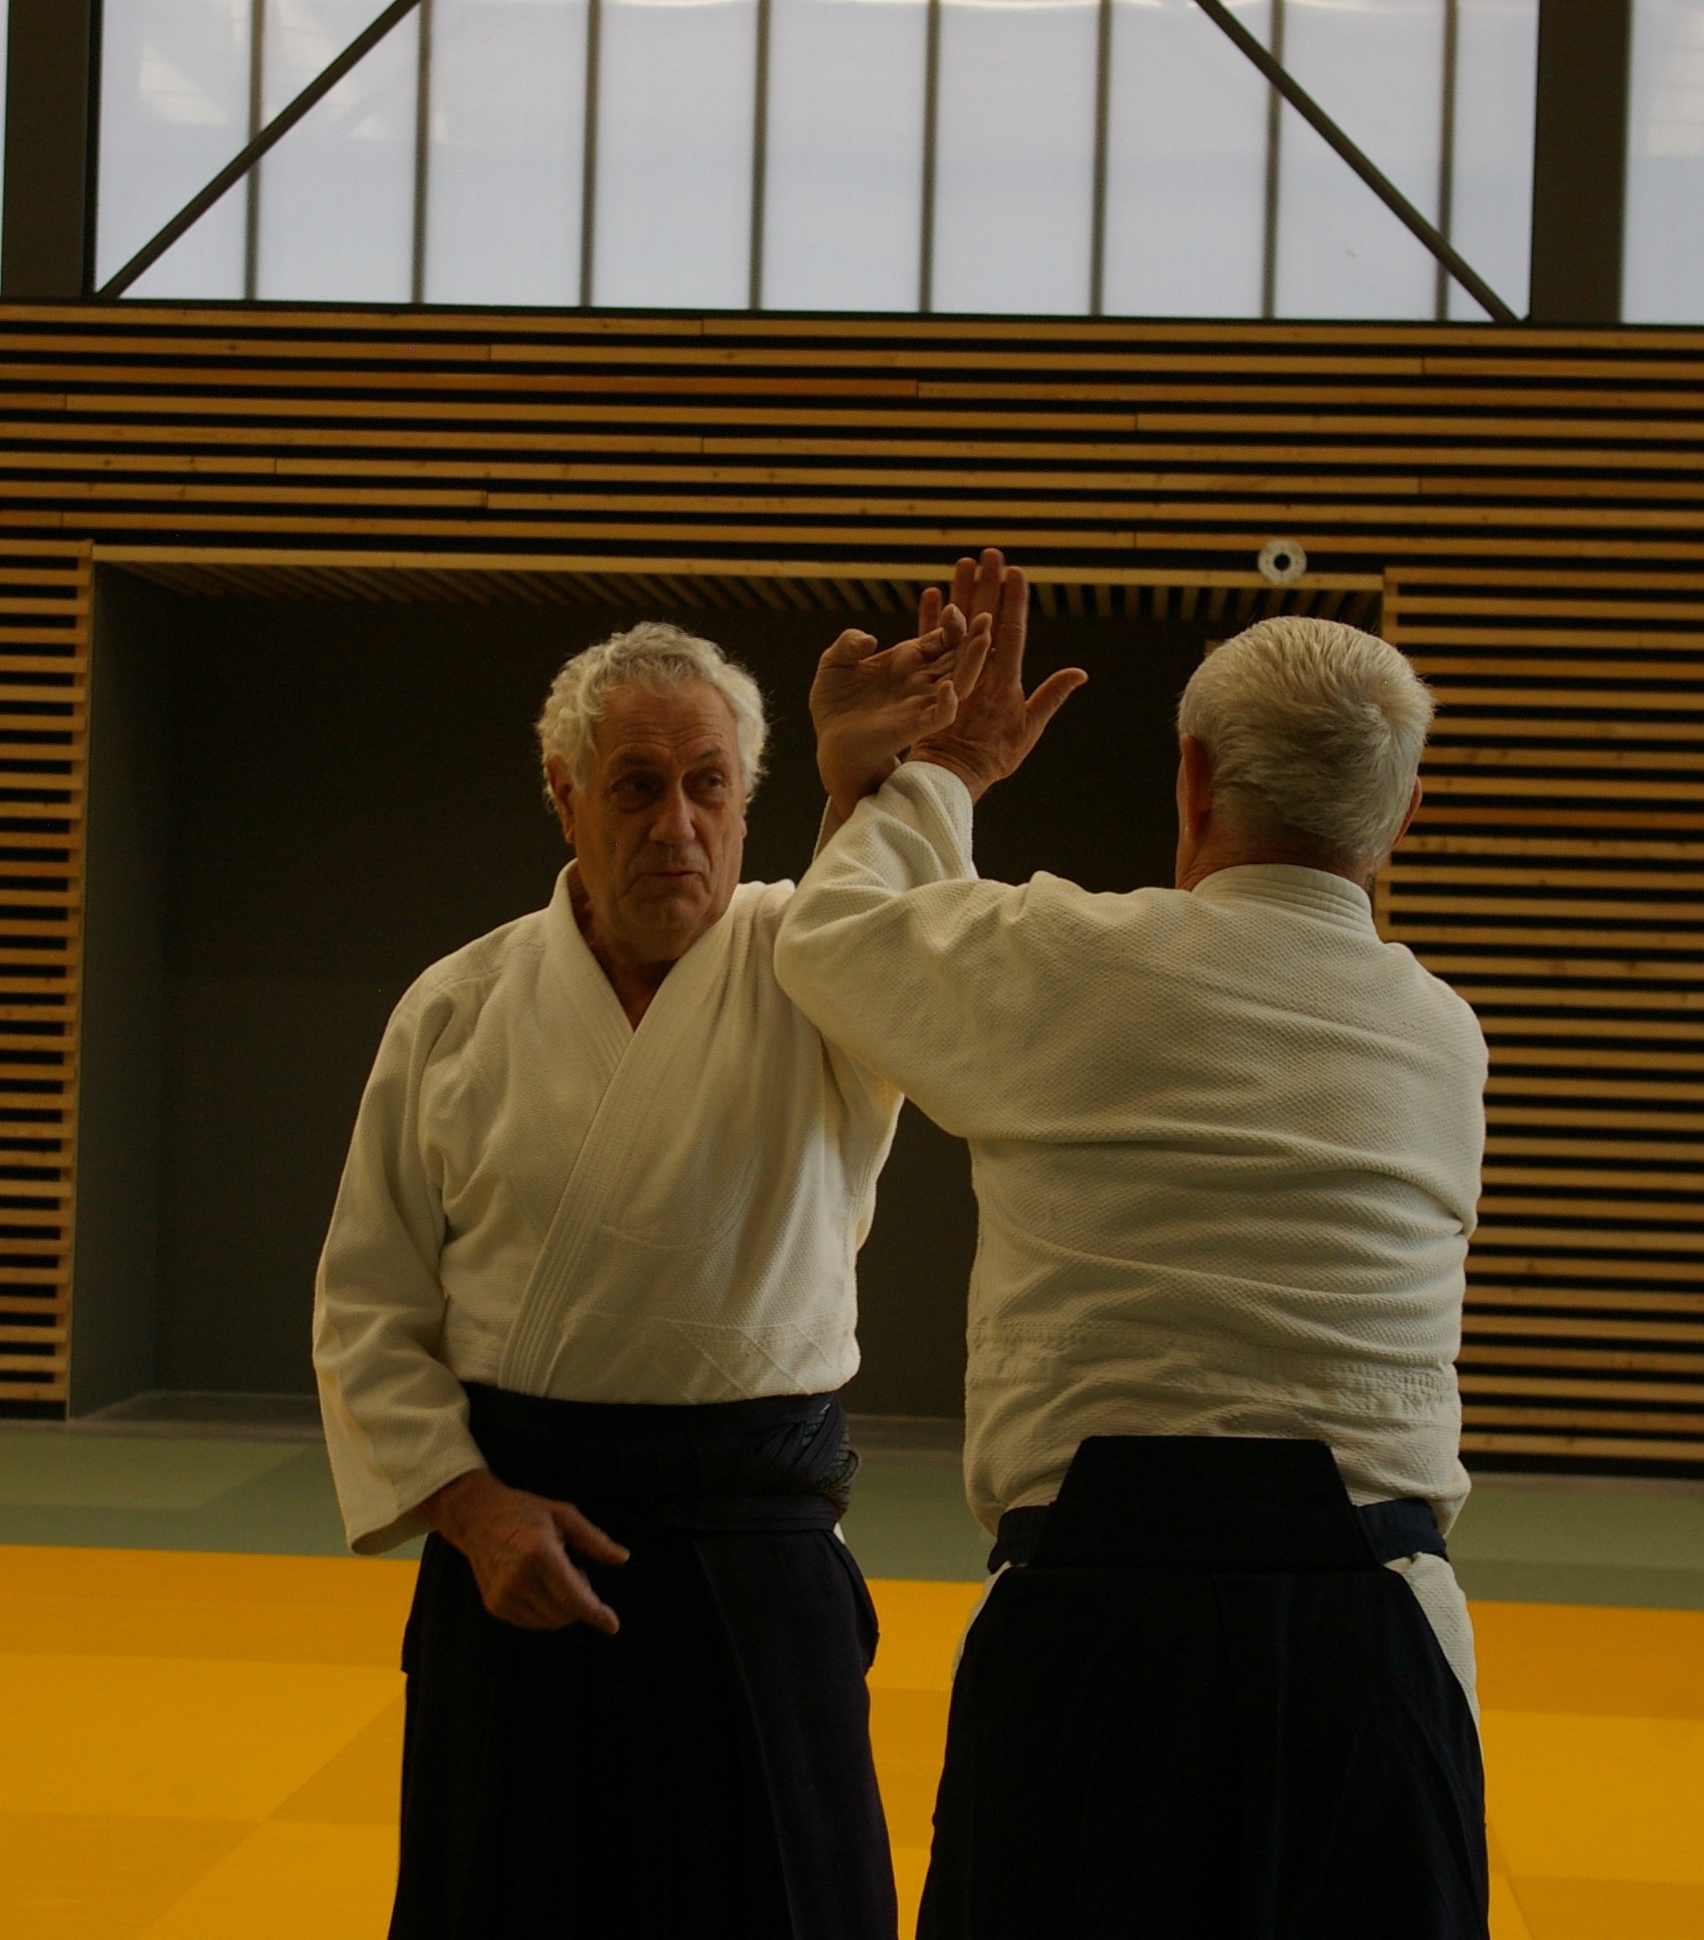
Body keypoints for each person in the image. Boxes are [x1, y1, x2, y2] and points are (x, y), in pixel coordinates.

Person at [777, 559, 1490, 1937]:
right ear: (1401, 812)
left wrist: (947, 773)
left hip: (1097, 1637)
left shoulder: (1073, 962)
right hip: (1376, 1640)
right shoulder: (1442, 1038)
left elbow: (835, 935)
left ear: (1193, 779)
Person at [311, 608, 983, 1940]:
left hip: (754, 1546)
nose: (676, 823)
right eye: (635, 786)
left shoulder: (816, 970)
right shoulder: (456, 1007)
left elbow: (909, 940)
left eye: (708, 785)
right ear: (566, 797)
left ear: (745, 808)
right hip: (520, 1555)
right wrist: (467, 1508)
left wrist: (876, 786)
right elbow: (367, 1307)